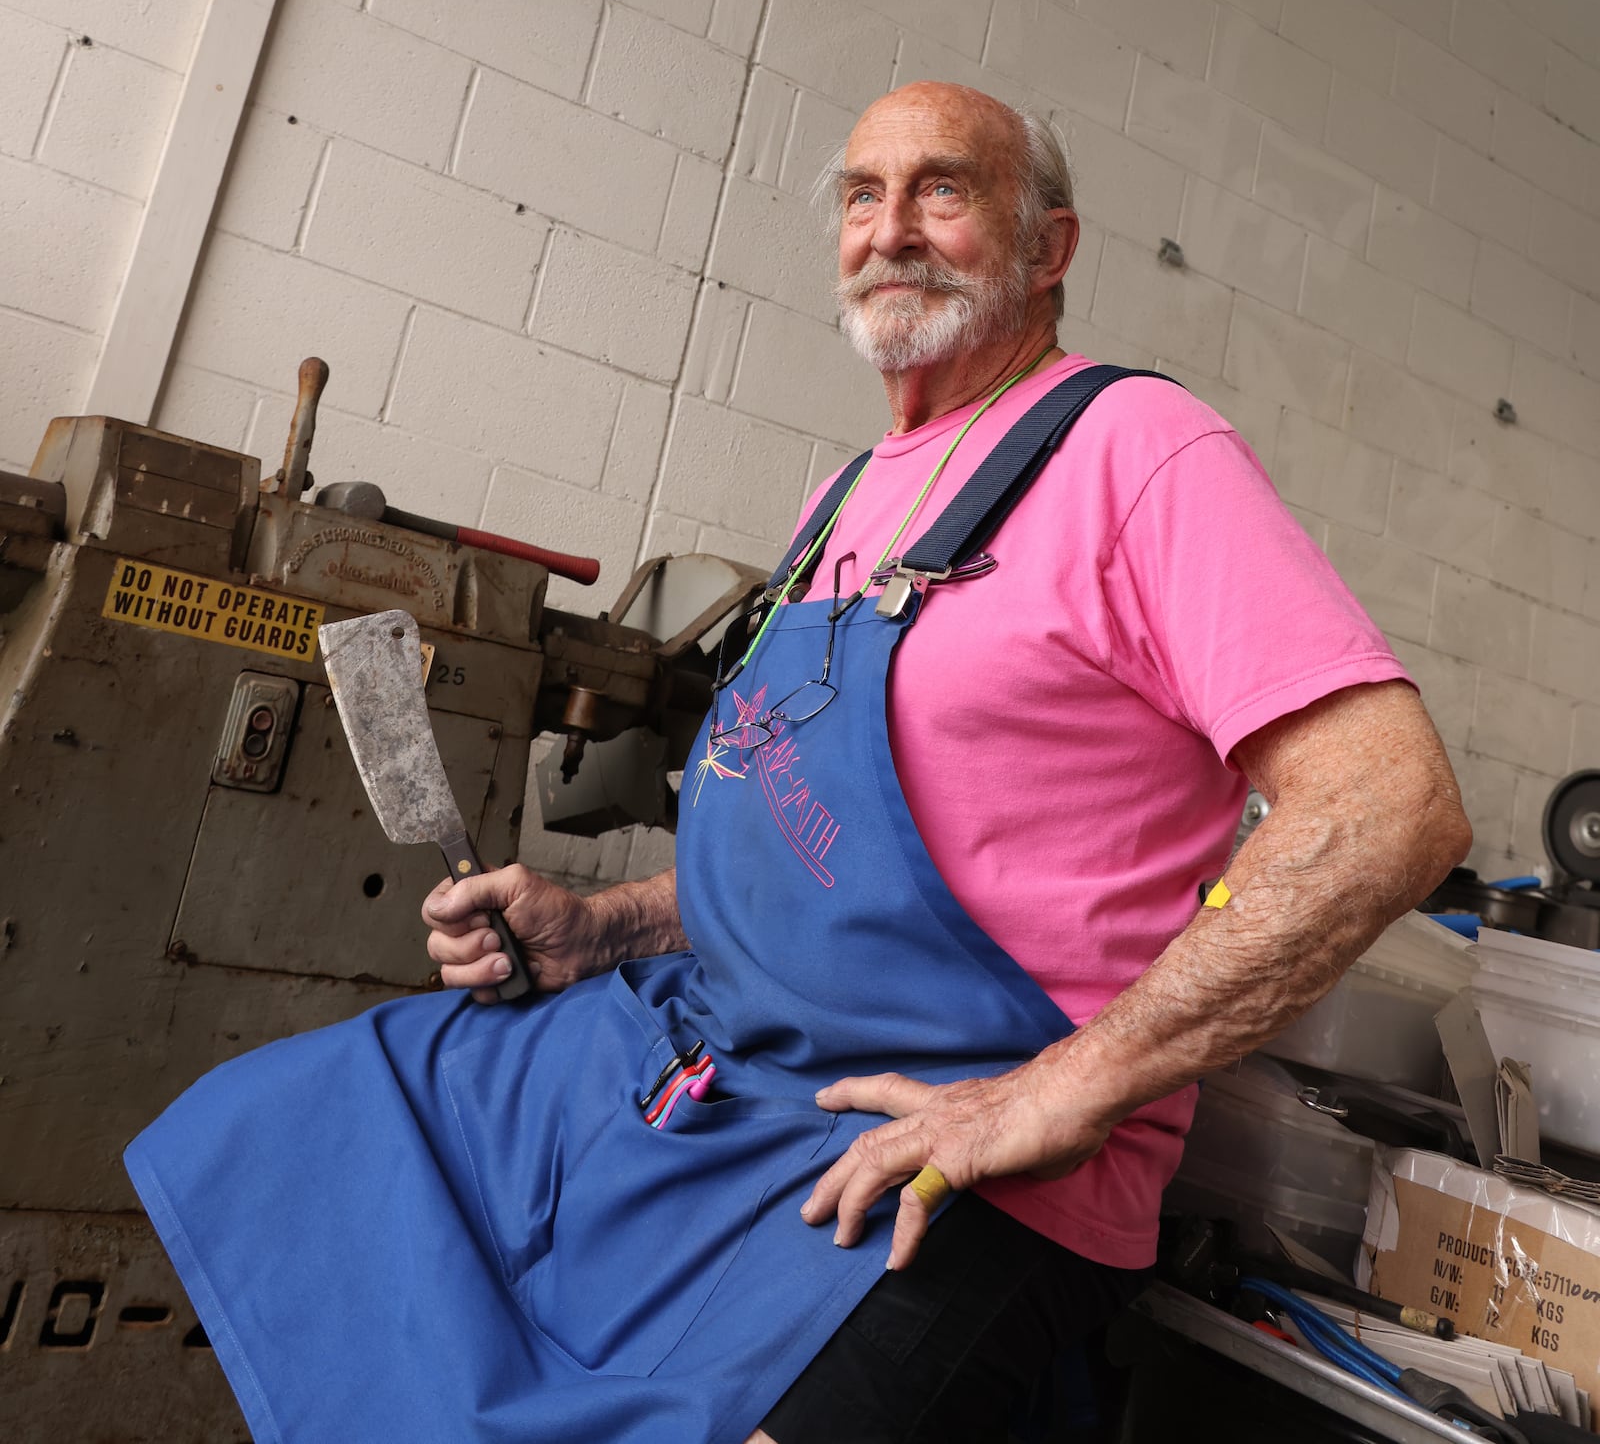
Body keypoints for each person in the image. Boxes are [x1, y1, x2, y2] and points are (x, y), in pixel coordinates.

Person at [127, 81, 1469, 1444]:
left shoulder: (1135, 449)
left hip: (940, 1151)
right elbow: (812, 841)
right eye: (860, 196)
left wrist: (1063, 1090)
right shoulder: (848, 495)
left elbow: (1389, 807)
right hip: (724, 1063)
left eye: (943, 190)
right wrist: (604, 926)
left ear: (1048, 248)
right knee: (295, 1142)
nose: (892, 230)